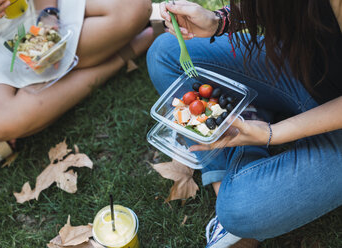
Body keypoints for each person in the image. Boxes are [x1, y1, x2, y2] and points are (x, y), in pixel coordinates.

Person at [147, 0, 342, 247]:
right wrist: (218, 22)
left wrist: (272, 133)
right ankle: (232, 154)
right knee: (164, 52)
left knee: (240, 208)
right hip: (303, 67)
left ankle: (249, 119)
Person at [0, 0, 158, 162]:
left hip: (32, 7)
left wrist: (48, 15)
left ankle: (39, 85)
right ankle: (127, 51)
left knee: (133, 8)